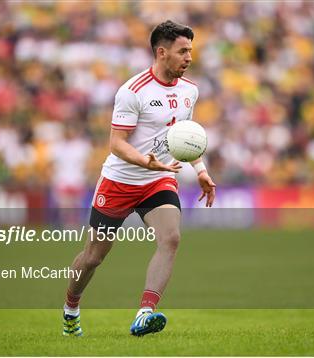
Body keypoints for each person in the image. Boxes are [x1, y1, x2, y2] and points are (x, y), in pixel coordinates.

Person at [62, 20, 216, 337]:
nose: (189, 57)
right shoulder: (133, 91)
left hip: (158, 181)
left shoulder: (191, 91)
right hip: (119, 181)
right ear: (162, 52)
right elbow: (116, 143)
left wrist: (200, 171)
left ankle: (145, 313)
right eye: (182, 51)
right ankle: (71, 307)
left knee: (171, 238)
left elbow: (185, 138)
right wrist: (148, 162)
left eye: (191, 50)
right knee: (94, 256)